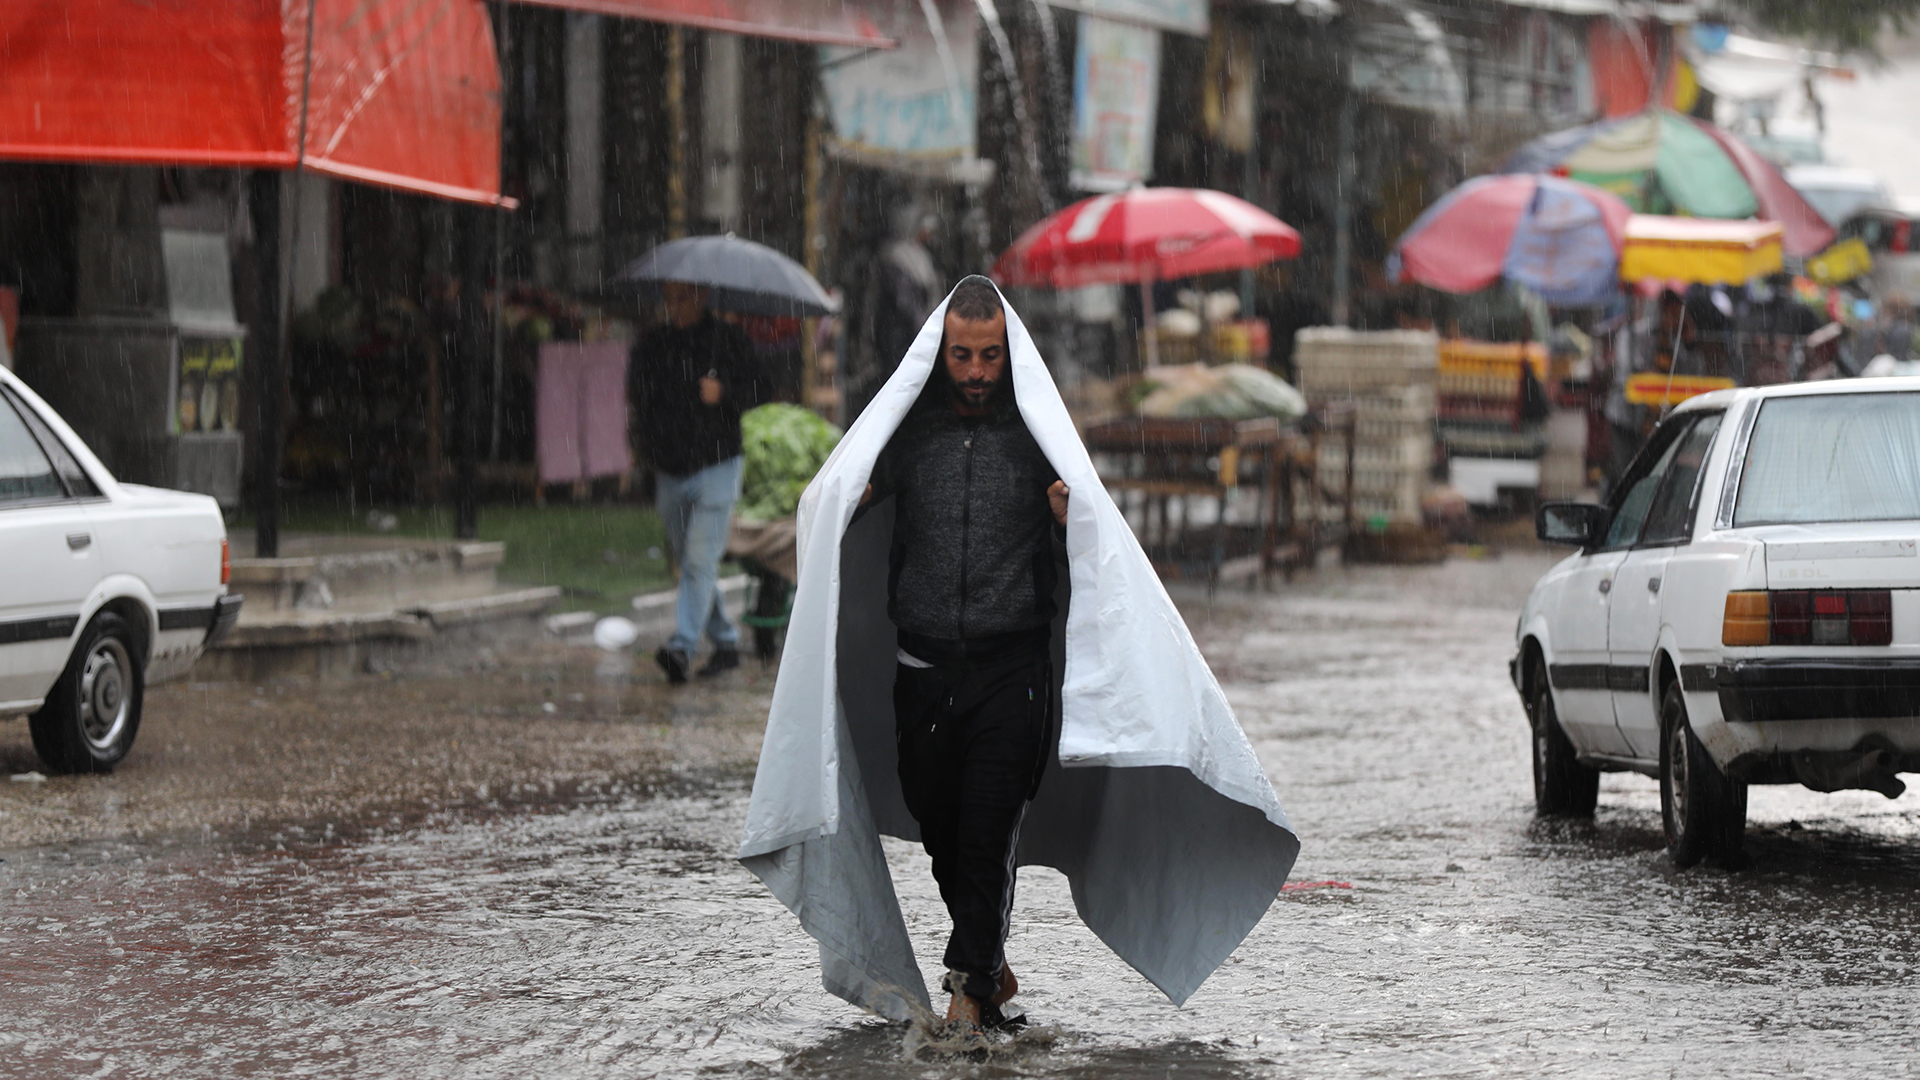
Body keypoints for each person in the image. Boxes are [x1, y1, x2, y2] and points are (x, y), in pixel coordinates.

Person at [855, 276, 1069, 1032]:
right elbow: (846, 493)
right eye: (962, 356)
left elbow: (1107, 547)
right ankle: (989, 964)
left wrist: (1073, 520)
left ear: (1011, 357)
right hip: (924, 670)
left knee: (985, 831)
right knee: (939, 823)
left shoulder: (1042, 435)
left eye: (989, 356)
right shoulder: (908, 436)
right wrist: (843, 496)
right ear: (938, 355)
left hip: (1014, 670)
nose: (977, 371)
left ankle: (968, 996)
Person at [629, 281, 763, 684]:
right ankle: (724, 640)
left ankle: (682, 646)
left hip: (718, 466)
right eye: (668, 298)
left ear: (701, 297)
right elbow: (639, 394)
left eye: (681, 298)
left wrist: (724, 393)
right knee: (692, 562)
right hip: (670, 468)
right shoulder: (654, 344)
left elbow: (761, 387)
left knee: (700, 559)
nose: (674, 306)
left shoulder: (729, 341)